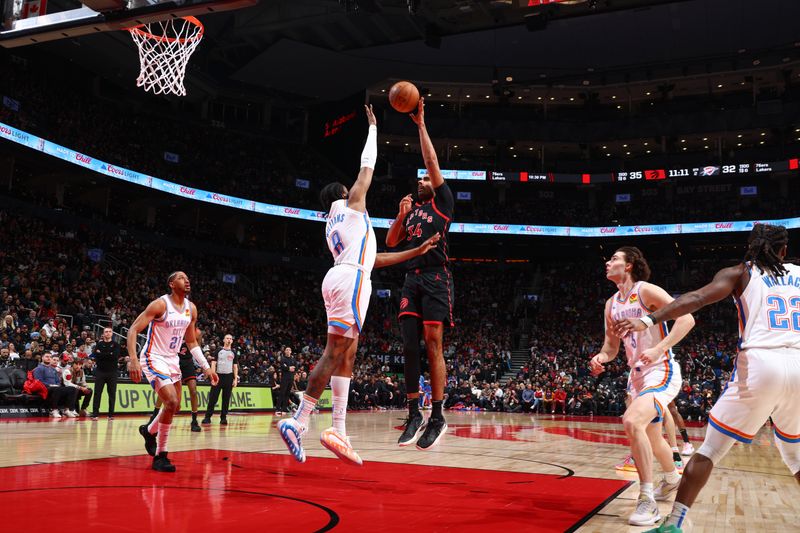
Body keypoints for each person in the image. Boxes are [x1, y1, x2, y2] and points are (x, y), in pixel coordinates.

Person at [277, 105, 441, 466]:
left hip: (347, 274)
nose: (356, 186)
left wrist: (415, 250)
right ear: (342, 191)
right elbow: (368, 165)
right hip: (351, 279)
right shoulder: (350, 203)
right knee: (335, 351)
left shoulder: (335, 224)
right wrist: (372, 128)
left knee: (347, 352)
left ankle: (339, 429)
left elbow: (375, 259)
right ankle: (299, 421)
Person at [613, 224, 800, 533]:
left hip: (762, 362)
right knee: (795, 456)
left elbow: (697, 298)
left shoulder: (741, 272)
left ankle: (674, 525)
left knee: (710, 451)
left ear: (751, 246)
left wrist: (648, 319)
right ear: (783, 250)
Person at [590, 246, 695, 526]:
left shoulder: (645, 290)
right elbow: (611, 347)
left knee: (632, 421)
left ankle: (647, 500)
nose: (608, 262)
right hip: (635, 375)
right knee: (650, 436)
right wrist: (601, 357)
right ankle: (673, 478)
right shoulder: (611, 304)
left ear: (629, 265)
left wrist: (660, 348)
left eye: (614, 258)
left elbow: (686, 318)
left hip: (661, 369)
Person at [386, 97, 454, 450]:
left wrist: (420, 124)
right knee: (409, 345)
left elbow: (430, 159)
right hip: (412, 276)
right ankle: (414, 411)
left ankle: (438, 415)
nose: (422, 178)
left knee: (433, 344)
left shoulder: (442, 203)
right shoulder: (411, 213)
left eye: (427, 177)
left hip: (437, 277)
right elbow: (392, 241)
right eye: (421, 178)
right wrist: (400, 215)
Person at [127, 271, 218, 472]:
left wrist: (206, 367)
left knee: (174, 407)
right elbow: (133, 329)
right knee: (171, 401)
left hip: (172, 360)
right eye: (181, 277)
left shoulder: (191, 308)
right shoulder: (160, 304)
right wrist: (133, 360)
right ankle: (161, 455)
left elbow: (191, 341)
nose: (187, 280)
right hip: (153, 357)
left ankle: (149, 431)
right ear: (171, 283)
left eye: (188, 277)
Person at [202, 334, 238, 425]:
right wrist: (213, 376)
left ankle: (223, 418)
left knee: (226, 399)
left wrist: (235, 379)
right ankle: (207, 417)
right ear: (223, 340)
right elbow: (213, 364)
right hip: (218, 376)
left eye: (230, 338)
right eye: (227, 338)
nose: (229, 340)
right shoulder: (218, 350)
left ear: (232, 341)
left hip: (229, 377)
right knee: (213, 398)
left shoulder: (234, 352)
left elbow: (235, 367)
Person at [33, 353, 78, 418]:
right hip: (44, 388)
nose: (48, 358)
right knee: (57, 389)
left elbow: (58, 381)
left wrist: (56, 385)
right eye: (46, 356)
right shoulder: (38, 368)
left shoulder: (54, 369)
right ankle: (53, 410)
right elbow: (38, 382)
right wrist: (50, 385)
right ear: (42, 358)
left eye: (50, 357)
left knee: (72, 389)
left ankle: (67, 409)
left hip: (55, 388)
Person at [90, 326, 121, 420]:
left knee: (112, 394)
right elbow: (96, 356)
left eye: (109, 331)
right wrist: (108, 354)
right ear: (103, 334)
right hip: (100, 372)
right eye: (106, 331)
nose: (108, 333)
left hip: (112, 372)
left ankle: (111, 415)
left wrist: (102, 354)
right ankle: (95, 414)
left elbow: (115, 356)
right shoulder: (98, 345)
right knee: (97, 393)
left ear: (112, 333)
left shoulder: (116, 345)